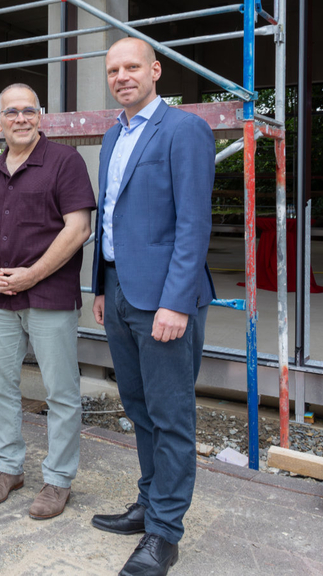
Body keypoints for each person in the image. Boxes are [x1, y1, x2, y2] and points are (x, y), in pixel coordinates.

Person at [90, 38, 216, 576]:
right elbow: (110, 219)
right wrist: (100, 287)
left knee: (171, 416)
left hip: (163, 300)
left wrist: (176, 303)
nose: (122, 76)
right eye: (113, 69)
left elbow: (193, 224)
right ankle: (149, 503)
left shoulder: (184, 130)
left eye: (132, 67)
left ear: (155, 71)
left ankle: (165, 533)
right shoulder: (112, 135)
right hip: (119, 292)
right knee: (139, 409)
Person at [0, 83, 94, 518]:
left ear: (40, 117)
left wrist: (32, 275)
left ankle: (58, 479)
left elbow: (78, 229)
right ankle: (9, 467)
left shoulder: (65, 162)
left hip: (48, 295)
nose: (20, 118)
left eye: (28, 111)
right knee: (0, 386)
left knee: (61, 391)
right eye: (11, 112)